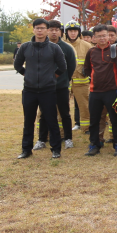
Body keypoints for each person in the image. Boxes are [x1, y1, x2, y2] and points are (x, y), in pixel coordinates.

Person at [14, 18, 67, 159]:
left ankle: (56, 149)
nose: (40, 30)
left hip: (48, 90)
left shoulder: (54, 48)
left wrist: (51, 76)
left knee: (51, 120)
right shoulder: (25, 47)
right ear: (33, 30)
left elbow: (63, 67)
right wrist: (27, 74)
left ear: (47, 30)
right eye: (37, 28)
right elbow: (17, 65)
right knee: (28, 121)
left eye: (43, 28)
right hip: (29, 90)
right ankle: (26, 150)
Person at [81, 24, 117, 156]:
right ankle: (94, 145)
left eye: (104, 35)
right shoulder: (91, 52)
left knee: (115, 119)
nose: (102, 38)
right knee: (94, 120)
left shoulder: (115, 50)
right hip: (95, 92)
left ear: (108, 36)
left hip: (111, 91)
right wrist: (95, 78)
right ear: (94, 38)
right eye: (98, 36)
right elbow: (86, 69)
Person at [33, 20, 77, 151]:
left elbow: (71, 66)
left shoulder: (67, 48)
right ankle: (41, 140)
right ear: (47, 31)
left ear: (61, 32)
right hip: (44, 88)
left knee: (65, 113)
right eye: (51, 29)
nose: (53, 32)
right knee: (44, 114)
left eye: (56, 30)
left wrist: (64, 79)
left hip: (61, 86)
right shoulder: (39, 46)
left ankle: (68, 139)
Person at [63, 21, 93, 133]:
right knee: (62, 107)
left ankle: (86, 128)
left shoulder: (86, 45)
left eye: (75, 31)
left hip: (82, 81)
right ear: (66, 32)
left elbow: (92, 62)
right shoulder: (62, 45)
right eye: (70, 31)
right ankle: (63, 130)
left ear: (78, 32)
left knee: (85, 106)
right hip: (65, 81)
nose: (72, 33)